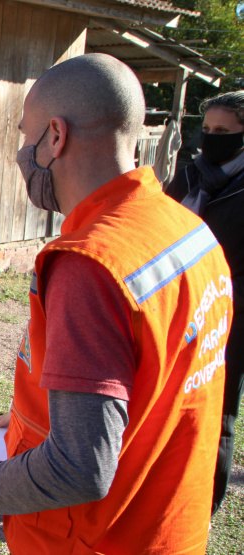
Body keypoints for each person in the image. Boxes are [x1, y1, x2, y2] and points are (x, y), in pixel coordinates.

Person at [0, 53, 232, 554]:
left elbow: (80, 467)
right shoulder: (186, 230)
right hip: (170, 527)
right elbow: (151, 375)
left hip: (99, 539)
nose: (23, 154)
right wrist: (34, 415)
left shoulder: (89, 264)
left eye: (26, 137)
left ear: (55, 136)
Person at [165, 90, 244, 516]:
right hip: (179, 304)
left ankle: (200, 505)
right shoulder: (191, 174)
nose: (211, 139)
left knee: (217, 410)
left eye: (224, 132)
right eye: (208, 130)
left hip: (228, 312)